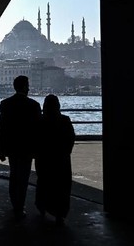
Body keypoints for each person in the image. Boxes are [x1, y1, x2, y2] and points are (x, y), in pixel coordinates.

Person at [0, 75, 42, 220]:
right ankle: (19, 206)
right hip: (27, 148)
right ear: (24, 87)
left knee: (14, 175)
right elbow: (37, 130)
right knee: (23, 178)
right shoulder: (34, 105)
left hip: (11, 147)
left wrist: (0, 149)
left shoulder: (5, 104)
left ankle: (14, 204)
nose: (29, 88)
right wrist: (37, 149)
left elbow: (2, 129)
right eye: (27, 85)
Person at [34, 94, 76, 226]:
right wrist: (66, 152)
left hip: (44, 159)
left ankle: (42, 207)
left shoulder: (40, 121)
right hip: (61, 159)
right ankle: (60, 213)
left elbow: (36, 141)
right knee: (61, 186)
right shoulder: (65, 120)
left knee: (44, 183)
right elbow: (71, 138)